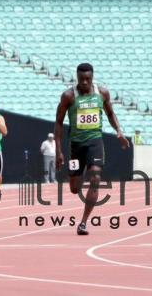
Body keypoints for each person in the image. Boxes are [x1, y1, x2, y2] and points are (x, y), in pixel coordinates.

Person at [55, 63, 129, 236]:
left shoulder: (102, 93)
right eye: (82, 79)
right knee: (74, 188)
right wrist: (58, 151)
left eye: (88, 79)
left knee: (95, 176)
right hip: (75, 145)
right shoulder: (68, 96)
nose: (85, 82)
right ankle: (75, 179)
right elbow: (58, 122)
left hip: (95, 142)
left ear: (93, 77)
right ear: (77, 78)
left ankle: (83, 223)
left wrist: (119, 132)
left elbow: (110, 113)